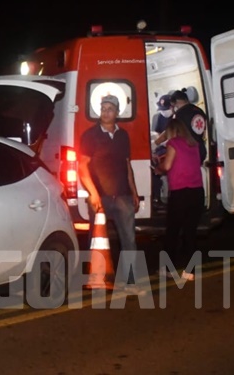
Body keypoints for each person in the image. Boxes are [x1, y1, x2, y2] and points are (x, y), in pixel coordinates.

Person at [78, 94, 140, 260]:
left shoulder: (123, 136)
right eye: (103, 109)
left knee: (129, 240)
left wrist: (134, 192)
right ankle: (98, 280)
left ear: (117, 113)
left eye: (110, 109)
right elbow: (82, 166)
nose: (105, 113)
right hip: (100, 197)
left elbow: (127, 165)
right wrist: (94, 194)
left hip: (123, 195)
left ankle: (130, 281)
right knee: (98, 240)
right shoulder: (90, 135)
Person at [155, 118, 204, 281]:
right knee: (190, 232)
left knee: (173, 231)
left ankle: (168, 269)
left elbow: (168, 166)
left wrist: (158, 169)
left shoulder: (173, 143)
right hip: (197, 192)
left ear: (172, 131)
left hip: (180, 193)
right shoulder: (194, 144)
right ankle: (191, 271)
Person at [171, 88, 208, 164]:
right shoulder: (199, 110)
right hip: (201, 150)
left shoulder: (179, 114)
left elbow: (173, 134)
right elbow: (204, 132)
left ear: (176, 102)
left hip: (188, 152)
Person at [150, 94, 173, 211]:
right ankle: (156, 198)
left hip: (172, 149)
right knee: (154, 168)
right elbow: (156, 134)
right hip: (160, 149)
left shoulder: (176, 118)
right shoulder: (158, 117)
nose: (164, 112)